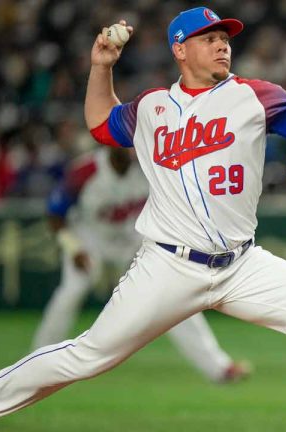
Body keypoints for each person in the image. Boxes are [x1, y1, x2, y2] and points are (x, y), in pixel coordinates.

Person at [0, 7, 286, 432]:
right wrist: (100, 68)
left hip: (241, 265)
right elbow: (99, 122)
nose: (222, 44)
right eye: (209, 38)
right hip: (168, 266)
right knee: (87, 356)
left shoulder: (254, 95)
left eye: (225, 38)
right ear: (180, 48)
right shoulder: (151, 108)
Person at [34, 146, 251, 383]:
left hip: (133, 243)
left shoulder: (150, 167)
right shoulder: (85, 171)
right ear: (110, 144)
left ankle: (219, 369)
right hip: (89, 242)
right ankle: (37, 362)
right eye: (124, 142)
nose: (131, 149)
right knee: (70, 293)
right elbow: (55, 214)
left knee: (174, 297)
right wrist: (73, 247)